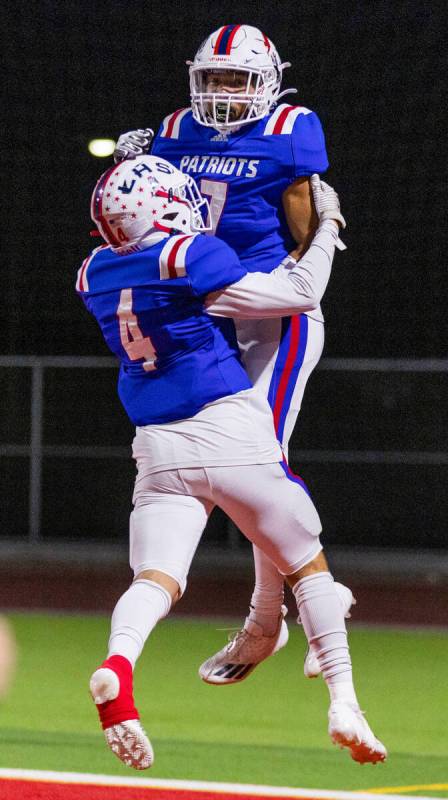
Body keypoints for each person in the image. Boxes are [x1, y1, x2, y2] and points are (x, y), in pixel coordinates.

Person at [77, 154, 386, 770]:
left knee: (156, 579)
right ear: (163, 208)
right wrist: (325, 227)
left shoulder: (92, 273)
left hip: (156, 443)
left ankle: (119, 664)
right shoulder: (189, 255)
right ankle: (344, 703)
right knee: (307, 563)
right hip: (226, 427)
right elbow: (298, 294)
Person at [113, 24, 353, 685]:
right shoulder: (172, 131)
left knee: (263, 470)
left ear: (268, 83)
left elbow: (307, 241)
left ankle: (266, 618)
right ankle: (278, 615)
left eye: (237, 79)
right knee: (230, 471)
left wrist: (319, 246)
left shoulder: (290, 130)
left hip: (274, 314)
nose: (222, 92)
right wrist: (134, 167)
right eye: (212, 78)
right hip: (206, 317)